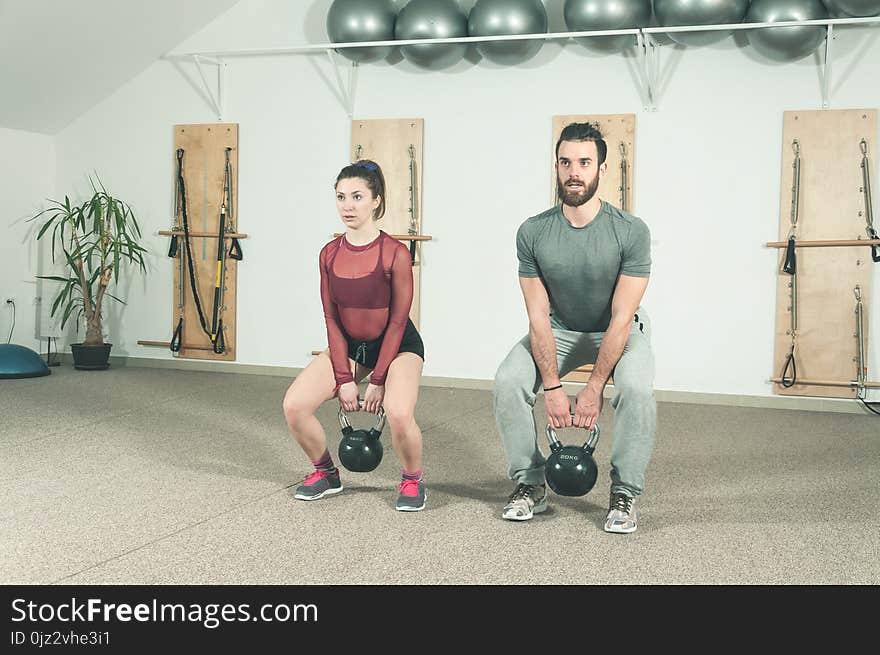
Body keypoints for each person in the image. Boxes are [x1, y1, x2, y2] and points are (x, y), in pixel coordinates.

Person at [493, 122, 656, 533]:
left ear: (602, 170)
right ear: (556, 166)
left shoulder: (631, 232)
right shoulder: (533, 232)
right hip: (559, 329)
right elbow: (536, 316)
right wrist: (551, 387)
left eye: (584, 162)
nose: (574, 171)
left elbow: (622, 319)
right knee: (508, 381)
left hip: (617, 329)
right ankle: (530, 484)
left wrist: (595, 388)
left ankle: (624, 492)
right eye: (565, 162)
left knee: (636, 389)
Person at [282, 160, 427, 511]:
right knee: (295, 405)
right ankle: (326, 473)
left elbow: (397, 320)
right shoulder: (329, 254)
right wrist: (345, 379)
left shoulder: (394, 253)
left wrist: (377, 380)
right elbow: (331, 318)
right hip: (350, 346)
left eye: (357, 197)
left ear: (376, 201)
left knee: (396, 411)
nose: (348, 205)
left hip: (398, 346)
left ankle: (412, 480)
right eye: (341, 197)